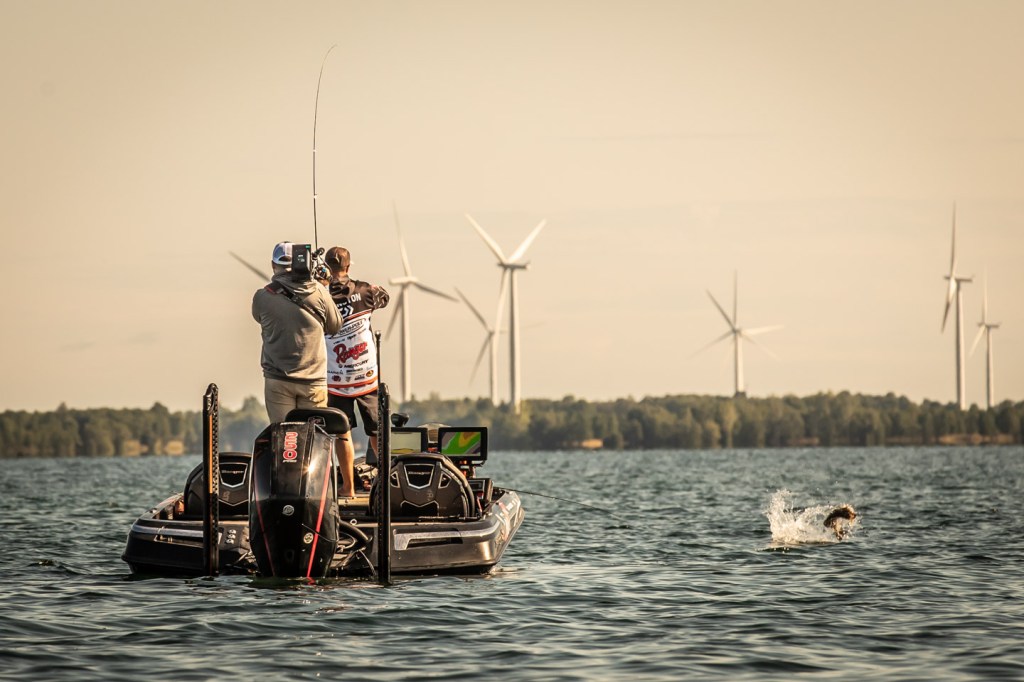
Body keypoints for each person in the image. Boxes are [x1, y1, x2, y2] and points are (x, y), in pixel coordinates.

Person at [252, 241, 343, 424]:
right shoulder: (318, 292)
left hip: (278, 379)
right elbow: (335, 326)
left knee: (282, 435)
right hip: (313, 381)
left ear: (273, 265)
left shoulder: (262, 297)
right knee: (314, 436)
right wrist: (323, 286)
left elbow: (258, 317)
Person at [324, 246, 390, 456]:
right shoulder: (365, 291)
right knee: (376, 430)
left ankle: (348, 478)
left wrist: (321, 284)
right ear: (348, 266)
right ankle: (384, 473)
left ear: (326, 267)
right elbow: (385, 297)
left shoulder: (320, 296)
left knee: (342, 433)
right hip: (366, 375)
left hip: (336, 378)